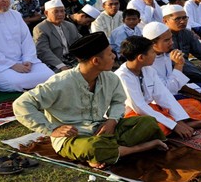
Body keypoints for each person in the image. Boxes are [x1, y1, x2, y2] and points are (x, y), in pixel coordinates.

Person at [13, 32, 167, 168]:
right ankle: (139, 147)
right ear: (96, 61)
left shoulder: (111, 78)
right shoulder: (60, 82)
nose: (114, 56)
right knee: (93, 148)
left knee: (149, 122)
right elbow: (21, 105)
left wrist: (112, 120)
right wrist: (52, 129)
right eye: (109, 54)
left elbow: (118, 101)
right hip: (73, 138)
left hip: (102, 129)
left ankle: (109, 152)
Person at [116, 35, 201, 137]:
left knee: (193, 104)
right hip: (131, 115)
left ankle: (181, 124)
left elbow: (163, 95)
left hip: (150, 109)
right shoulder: (122, 76)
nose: (155, 55)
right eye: (152, 52)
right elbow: (139, 107)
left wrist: (180, 120)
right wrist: (173, 125)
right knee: (152, 127)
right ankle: (171, 129)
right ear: (141, 57)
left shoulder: (148, 70)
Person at [33, 0, 82, 72]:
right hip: (54, 62)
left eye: (62, 11)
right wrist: (61, 66)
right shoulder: (40, 28)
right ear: (46, 13)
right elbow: (43, 51)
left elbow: (81, 41)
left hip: (73, 58)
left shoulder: (69, 25)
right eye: (56, 12)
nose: (60, 14)